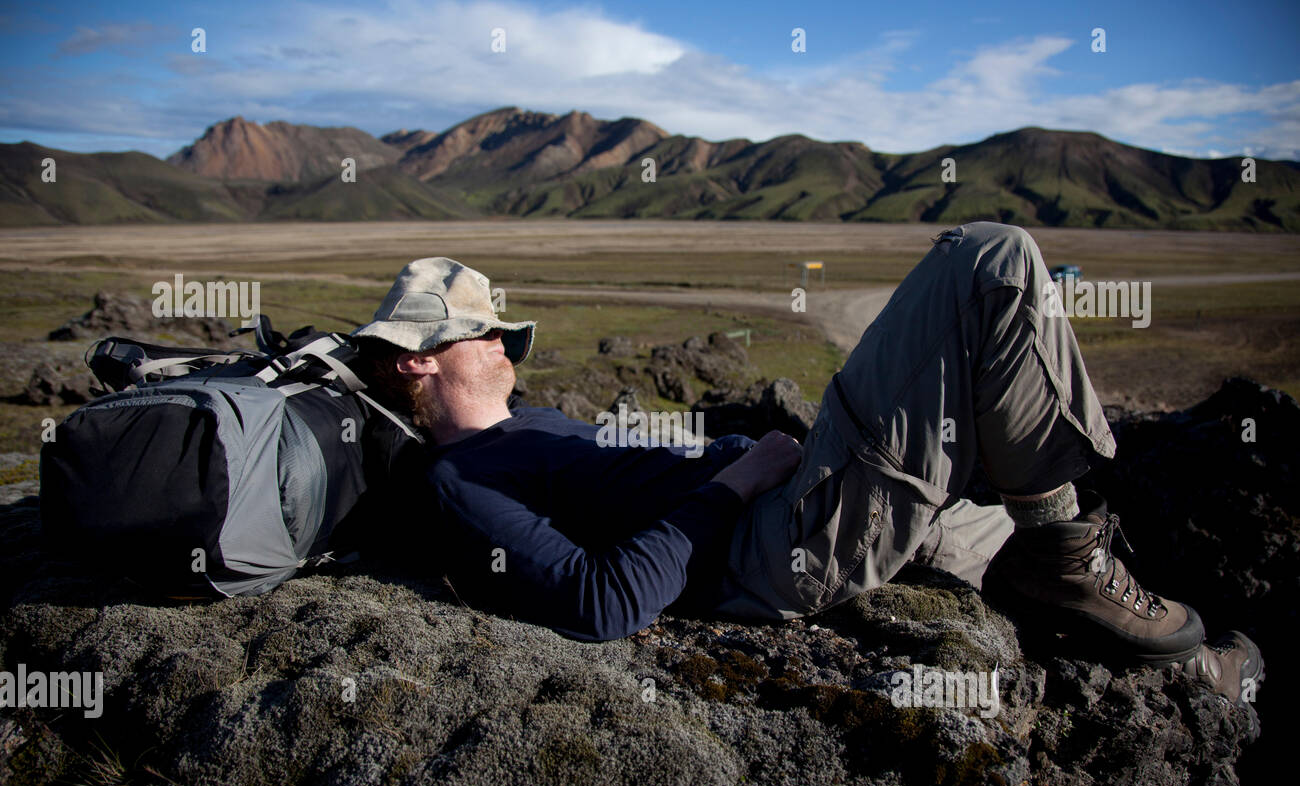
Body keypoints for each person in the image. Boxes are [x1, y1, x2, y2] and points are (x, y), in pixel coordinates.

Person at [349, 226, 1261, 704]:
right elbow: (601, 602)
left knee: (1023, 552)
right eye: (481, 329)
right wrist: (729, 486)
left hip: (787, 488)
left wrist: (730, 448)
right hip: (775, 537)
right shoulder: (457, 483)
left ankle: (1196, 680)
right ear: (418, 359)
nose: (505, 337)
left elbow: (637, 462)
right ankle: (1065, 541)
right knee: (985, 260)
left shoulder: (536, 421)